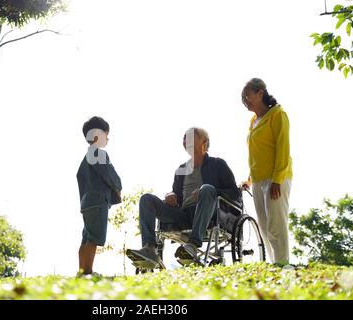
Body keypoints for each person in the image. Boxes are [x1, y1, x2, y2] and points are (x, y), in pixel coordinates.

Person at [126, 127, 240, 268]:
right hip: (183, 214)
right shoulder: (181, 169)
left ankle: (192, 245)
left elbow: (235, 193)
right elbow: (177, 197)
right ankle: (150, 248)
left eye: (190, 137)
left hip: (210, 213)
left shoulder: (218, 164)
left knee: (207, 189)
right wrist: (171, 196)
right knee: (146, 199)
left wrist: (211, 192)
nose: (185, 141)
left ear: (204, 142)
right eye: (184, 138)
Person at [241, 78, 292, 265]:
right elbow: (257, 153)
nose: (245, 100)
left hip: (276, 177)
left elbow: (283, 149)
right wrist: (249, 179)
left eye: (247, 95)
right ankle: (274, 264)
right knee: (263, 225)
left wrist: (277, 179)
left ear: (260, 93)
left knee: (276, 223)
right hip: (258, 179)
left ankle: (283, 263)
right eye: (243, 97)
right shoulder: (254, 120)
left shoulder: (278, 114)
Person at [76, 116, 122, 276]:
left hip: (86, 202)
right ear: (96, 135)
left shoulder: (85, 159)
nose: (108, 138)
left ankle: (81, 271)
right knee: (94, 237)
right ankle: (87, 272)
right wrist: (118, 186)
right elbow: (109, 174)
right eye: (106, 134)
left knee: (87, 237)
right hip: (98, 201)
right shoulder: (98, 154)